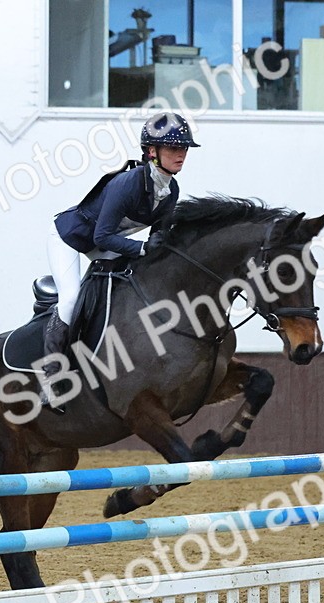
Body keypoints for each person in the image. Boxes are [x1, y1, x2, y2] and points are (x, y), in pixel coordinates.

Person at [41, 111, 200, 410]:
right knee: (72, 298)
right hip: (70, 237)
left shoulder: (171, 190)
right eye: (174, 148)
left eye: (184, 149)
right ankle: (50, 376)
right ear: (152, 152)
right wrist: (142, 249)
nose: (181, 154)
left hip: (108, 242)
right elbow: (101, 238)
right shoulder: (127, 184)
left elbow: (158, 240)